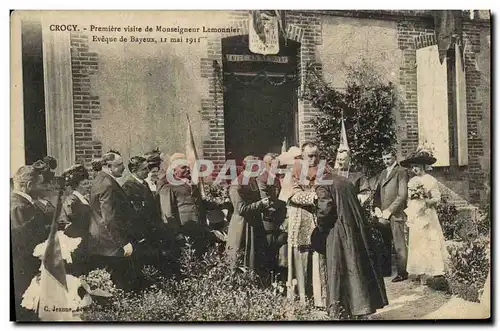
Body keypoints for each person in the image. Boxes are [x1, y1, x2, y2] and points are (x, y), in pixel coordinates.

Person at [315, 170, 389, 318]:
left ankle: (341, 311)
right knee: (356, 267)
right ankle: (362, 309)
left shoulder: (323, 183)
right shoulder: (344, 181)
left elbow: (325, 210)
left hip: (338, 230)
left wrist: (320, 227)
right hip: (356, 228)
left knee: (339, 268)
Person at [87, 152, 139, 291]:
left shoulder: (100, 180)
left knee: (107, 285)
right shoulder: (108, 184)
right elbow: (109, 218)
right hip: (110, 243)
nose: (123, 168)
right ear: (109, 167)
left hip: (104, 242)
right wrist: (123, 243)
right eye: (120, 165)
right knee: (115, 285)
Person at [285, 142, 327, 308]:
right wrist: (314, 197)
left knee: (320, 258)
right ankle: (302, 299)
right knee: (301, 258)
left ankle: (321, 298)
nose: (314, 158)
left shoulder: (324, 170)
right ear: (302, 156)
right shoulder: (294, 170)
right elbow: (293, 194)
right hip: (301, 219)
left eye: (316, 155)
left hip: (319, 220)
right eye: (310, 155)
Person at [400, 147, 448, 284]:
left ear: (422, 166)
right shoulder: (412, 181)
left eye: (417, 166)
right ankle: (421, 271)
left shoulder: (430, 180)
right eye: (412, 167)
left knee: (430, 239)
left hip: (428, 214)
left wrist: (425, 201)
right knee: (418, 243)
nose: (414, 169)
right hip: (416, 215)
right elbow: (410, 199)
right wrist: (412, 210)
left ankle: (435, 271)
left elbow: (437, 198)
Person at [10, 165, 51, 321]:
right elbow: (24, 240)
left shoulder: (22, 203)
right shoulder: (19, 206)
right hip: (25, 270)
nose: (44, 188)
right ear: (28, 186)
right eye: (40, 184)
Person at [122, 156, 173, 277]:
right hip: (142, 235)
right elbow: (134, 214)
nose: (147, 171)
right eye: (144, 169)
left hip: (151, 233)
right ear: (134, 170)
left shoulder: (144, 183)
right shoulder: (128, 187)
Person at [225, 155, 274, 275]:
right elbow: (241, 209)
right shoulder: (237, 184)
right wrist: (261, 204)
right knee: (242, 254)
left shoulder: (253, 181)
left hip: (253, 223)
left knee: (255, 255)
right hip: (242, 226)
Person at [157, 153, 210, 257]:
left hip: (198, 229)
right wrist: (177, 233)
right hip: (184, 231)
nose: (187, 169)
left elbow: (199, 203)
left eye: (188, 167)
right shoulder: (168, 187)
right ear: (173, 170)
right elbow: (167, 213)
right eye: (183, 167)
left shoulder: (191, 183)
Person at [373, 147, 409, 281]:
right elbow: (377, 193)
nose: (386, 161)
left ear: (395, 157)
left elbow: (402, 195)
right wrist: (376, 206)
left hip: (396, 214)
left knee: (399, 244)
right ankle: (386, 270)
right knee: (384, 242)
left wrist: (390, 210)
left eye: (388, 158)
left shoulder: (401, 172)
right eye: (384, 159)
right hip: (382, 214)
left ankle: (402, 272)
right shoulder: (383, 173)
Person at [58, 164, 92, 277]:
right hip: (77, 240)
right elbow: (68, 222)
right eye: (84, 184)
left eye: (88, 183)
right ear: (76, 186)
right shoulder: (72, 201)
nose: (88, 186)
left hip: (87, 238)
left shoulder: (84, 198)